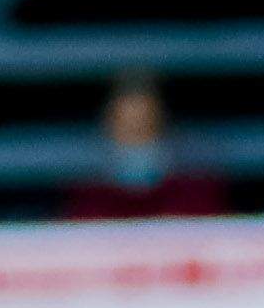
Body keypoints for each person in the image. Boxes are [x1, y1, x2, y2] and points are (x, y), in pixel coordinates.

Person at [52, 74, 235, 224]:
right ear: (109, 126)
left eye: (144, 126)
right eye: (127, 128)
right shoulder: (88, 190)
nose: (136, 136)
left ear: (161, 124)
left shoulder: (193, 185)